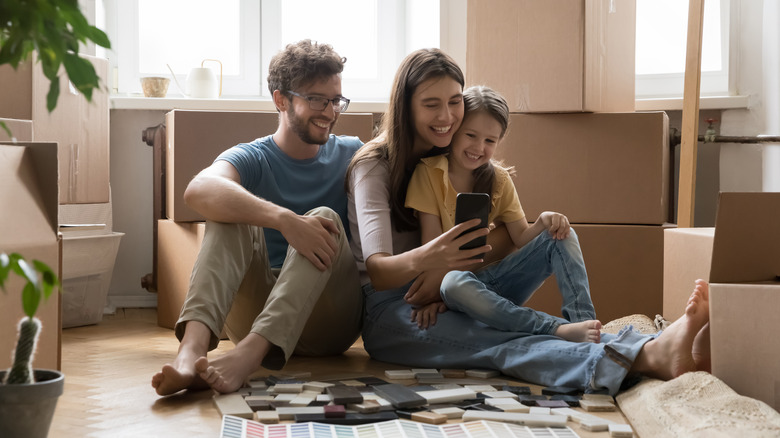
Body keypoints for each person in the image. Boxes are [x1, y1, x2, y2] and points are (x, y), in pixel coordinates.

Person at [346, 47, 711, 395]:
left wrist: (449, 270)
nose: (446, 117)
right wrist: (436, 260)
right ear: (405, 106)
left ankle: (610, 338)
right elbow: (378, 273)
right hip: (395, 309)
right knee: (498, 343)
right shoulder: (374, 165)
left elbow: (502, 240)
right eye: (431, 105)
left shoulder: (456, 154)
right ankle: (647, 354)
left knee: (551, 242)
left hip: (453, 287)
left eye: (454, 102)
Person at [152, 40, 363, 396]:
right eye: (316, 99)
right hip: (256, 313)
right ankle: (191, 351)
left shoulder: (354, 153)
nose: (329, 111)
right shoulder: (253, 156)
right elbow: (198, 190)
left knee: (324, 217)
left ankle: (248, 357)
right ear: (281, 100)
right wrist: (285, 220)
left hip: (331, 320)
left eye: (335, 100)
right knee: (224, 212)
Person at [404, 85, 600, 342]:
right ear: (455, 130)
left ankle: (585, 324)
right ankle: (552, 328)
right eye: (470, 135)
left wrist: (542, 222)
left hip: (499, 282)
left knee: (562, 234)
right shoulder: (428, 173)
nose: (478, 147)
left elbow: (520, 239)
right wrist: (441, 298)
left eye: (489, 141)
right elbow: (431, 252)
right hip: (457, 287)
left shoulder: (500, 179)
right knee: (454, 282)